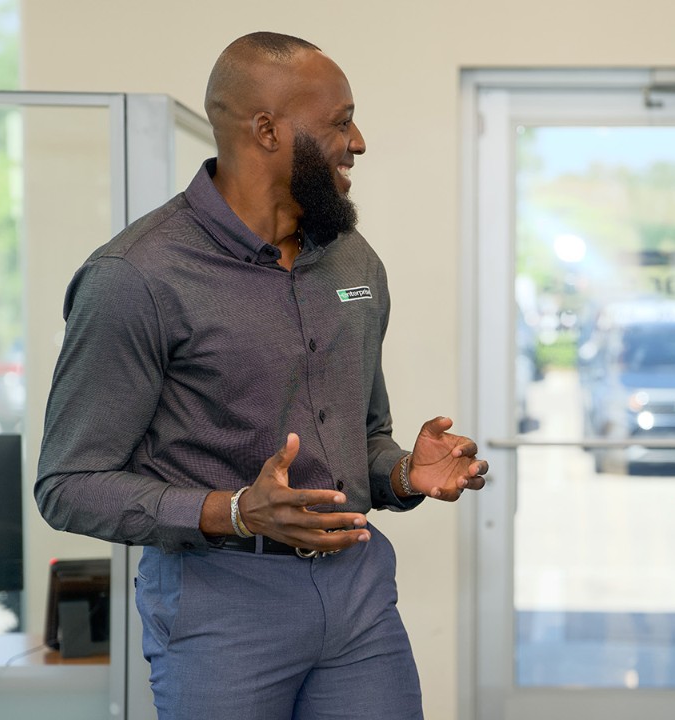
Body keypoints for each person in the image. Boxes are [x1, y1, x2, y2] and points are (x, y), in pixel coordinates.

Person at [35, 31, 487, 720]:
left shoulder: (353, 260)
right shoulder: (135, 277)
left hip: (358, 596)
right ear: (267, 130)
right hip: (218, 605)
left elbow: (362, 437)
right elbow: (68, 485)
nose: (358, 142)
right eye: (340, 122)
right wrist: (236, 511)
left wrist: (402, 473)